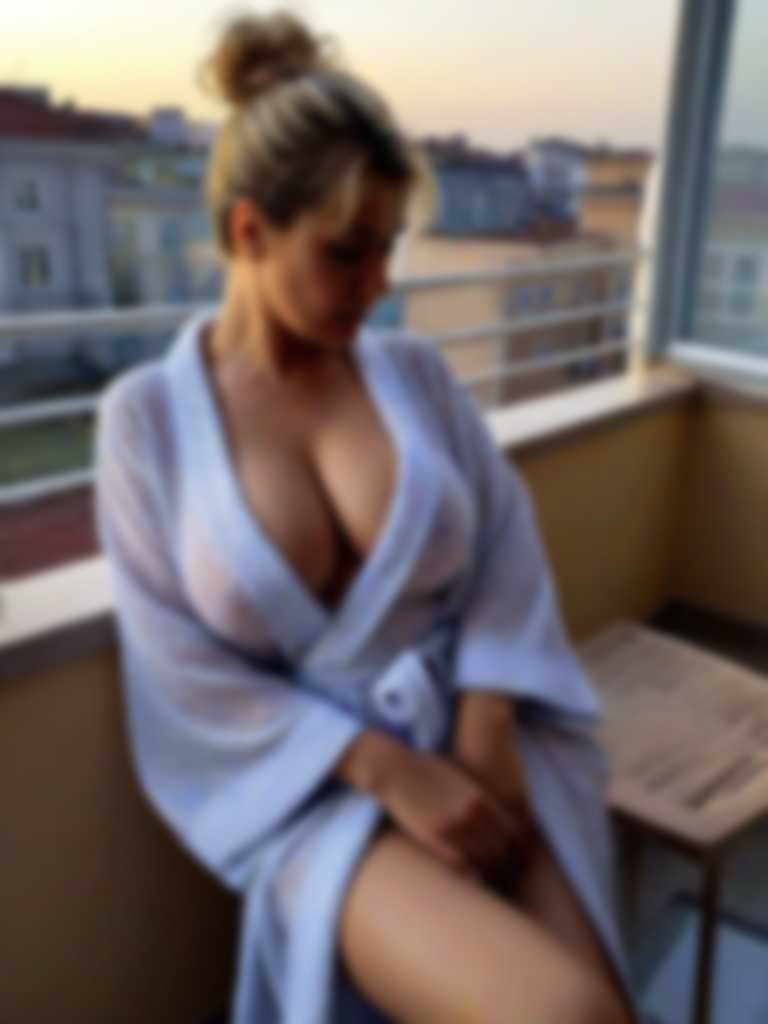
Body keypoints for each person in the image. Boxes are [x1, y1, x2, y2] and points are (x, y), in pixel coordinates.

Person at [94, 8, 644, 1023]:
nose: (380, 285)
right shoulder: (147, 423)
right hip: (313, 791)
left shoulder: (414, 374)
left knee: (604, 1006)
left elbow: (505, 542)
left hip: (478, 732)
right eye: (348, 253)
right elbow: (177, 671)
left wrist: (485, 722)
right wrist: (385, 769)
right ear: (249, 231)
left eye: (389, 249)